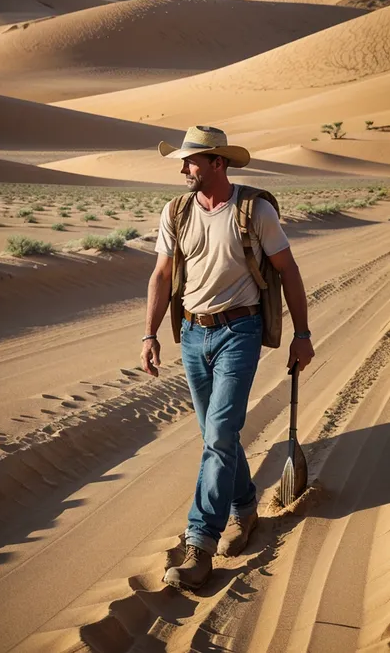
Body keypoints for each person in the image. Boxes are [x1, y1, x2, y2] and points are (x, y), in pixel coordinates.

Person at [140, 126, 315, 590]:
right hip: (194, 333)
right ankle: (243, 508)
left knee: (218, 432)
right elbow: (161, 274)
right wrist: (149, 333)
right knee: (215, 433)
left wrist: (302, 333)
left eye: (191, 161)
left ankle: (200, 544)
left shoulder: (253, 210)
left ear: (218, 163)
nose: (183, 169)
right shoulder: (175, 212)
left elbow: (288, 269)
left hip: (241, 329)